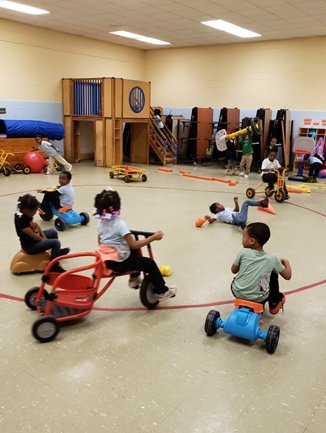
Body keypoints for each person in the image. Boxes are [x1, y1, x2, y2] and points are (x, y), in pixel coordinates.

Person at [94, 189, 176, 301]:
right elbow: (134, 245)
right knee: (150, 264)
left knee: (130, 251)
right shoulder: (120, 224)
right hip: (120, 263)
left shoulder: (100, 223)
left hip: (106, 261)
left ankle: (134, 280)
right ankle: (161, 291)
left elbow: (100, 241)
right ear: (118, 206)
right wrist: (153, 238)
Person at [230, 222, 292, 314]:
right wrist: (286, 262)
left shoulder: (242, 253)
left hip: (238, 292)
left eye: (243, 236)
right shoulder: (272, 258)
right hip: (259, 298)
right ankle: (274, 302)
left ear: (252, 241)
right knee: (273, 273)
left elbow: (233, 270)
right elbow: (288, 276)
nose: (242, 239)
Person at [14, 194, 70, 272]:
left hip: (34, 239)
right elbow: (33, 235)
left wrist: (44, 237)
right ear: (26, 210)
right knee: (56, 243)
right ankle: (53, 266)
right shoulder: (21, 220)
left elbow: (36, 226)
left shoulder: (24, 213)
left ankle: (56, 253)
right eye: (34, 211)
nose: (35, 213)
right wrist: (43, 240)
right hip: (30, 246)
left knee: (53, 232)